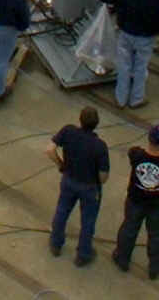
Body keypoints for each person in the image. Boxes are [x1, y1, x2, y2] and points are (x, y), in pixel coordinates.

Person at [112, 123, 159, 279]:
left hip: (136, 201)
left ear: (149, 137)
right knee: (155, 236)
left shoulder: (136, 154)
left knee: (129, 229)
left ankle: (122, 258)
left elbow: (132, 154)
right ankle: (155, 267)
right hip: (158, 205)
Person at [102, 0, 159, 110]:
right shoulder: (157, 4)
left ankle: (120, 99)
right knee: (140, 68)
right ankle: (136, 99)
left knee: (123, 66)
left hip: (126, 34)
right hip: (145, 39)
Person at [49, 106, 110, 268]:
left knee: (62, 211)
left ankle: (55, 244)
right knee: (88, 221)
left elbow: (49, 149)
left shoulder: (68, 131)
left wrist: (61, 165)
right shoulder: (100, 146)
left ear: (80, 119)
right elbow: (103, 177)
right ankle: (83, 255)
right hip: (89, 187)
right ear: (96, 124)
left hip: (69, 180)